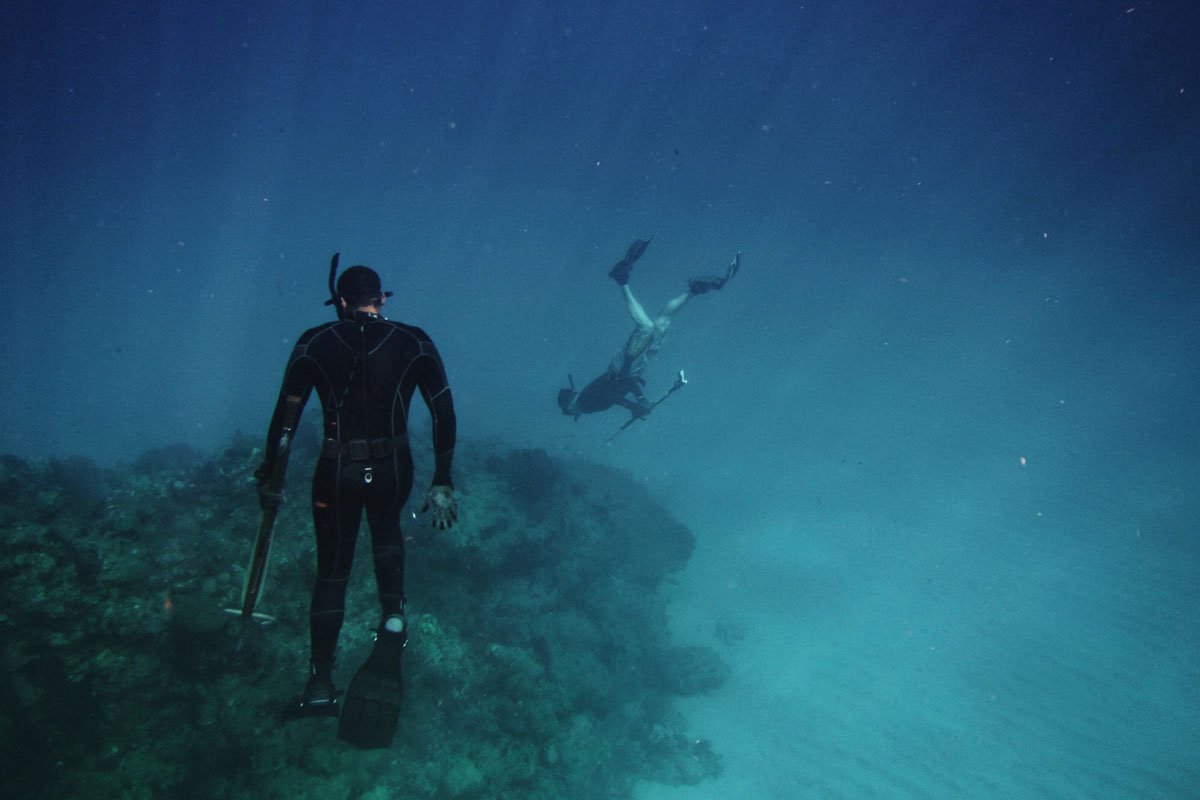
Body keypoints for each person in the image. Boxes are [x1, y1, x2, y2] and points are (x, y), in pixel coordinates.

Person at [255, 258, 457, 737]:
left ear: (341, 302)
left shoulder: (314, 342)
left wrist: (272, 478)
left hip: (337, 469)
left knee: (332, 572)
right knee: (386, 533)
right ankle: (391, 619)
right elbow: (443, 411)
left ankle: (321, 683)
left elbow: (285, 421)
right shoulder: (414, 341)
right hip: (393, 467)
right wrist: (443, 478)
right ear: (381, 298)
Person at [558, 238, 739, 420]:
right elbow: (617, 390)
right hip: (629, 371)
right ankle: (694, 290)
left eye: (567, 412)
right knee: (662, 324)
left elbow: (611, 395)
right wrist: (636, 399)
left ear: (569, 405)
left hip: (624, 367)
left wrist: (638, 402)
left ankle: (621, 278)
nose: (571, 415)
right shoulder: (584, 399)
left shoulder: (584, 405)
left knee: (647, 327)